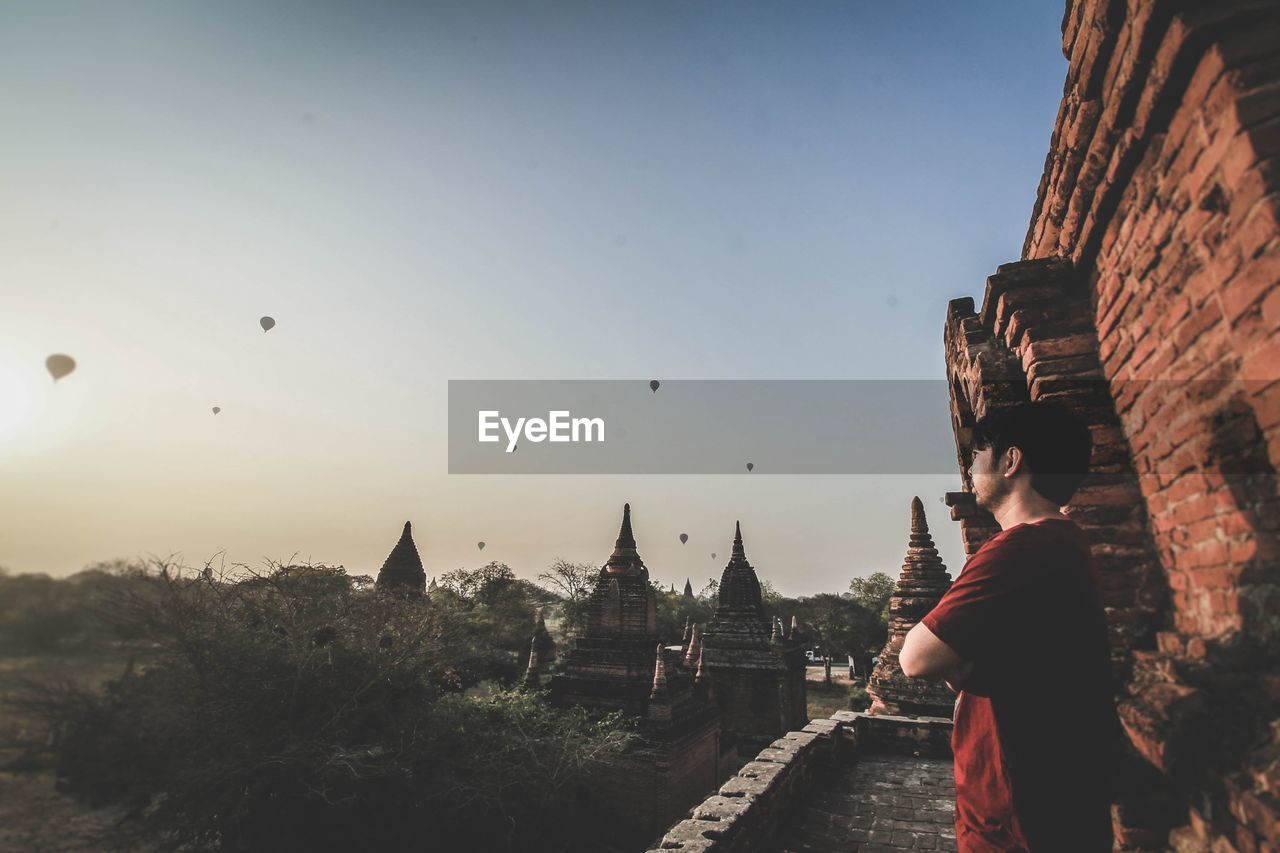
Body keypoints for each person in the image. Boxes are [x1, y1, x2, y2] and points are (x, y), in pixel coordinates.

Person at [899, 400, 1124, 852]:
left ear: (1011, 461)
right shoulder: (1061, 542)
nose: (969, 469)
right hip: (1055, 802)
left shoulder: (1022, 548)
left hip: (1022, 817)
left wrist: (961, 660)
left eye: (977, 456)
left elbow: (916, 657)